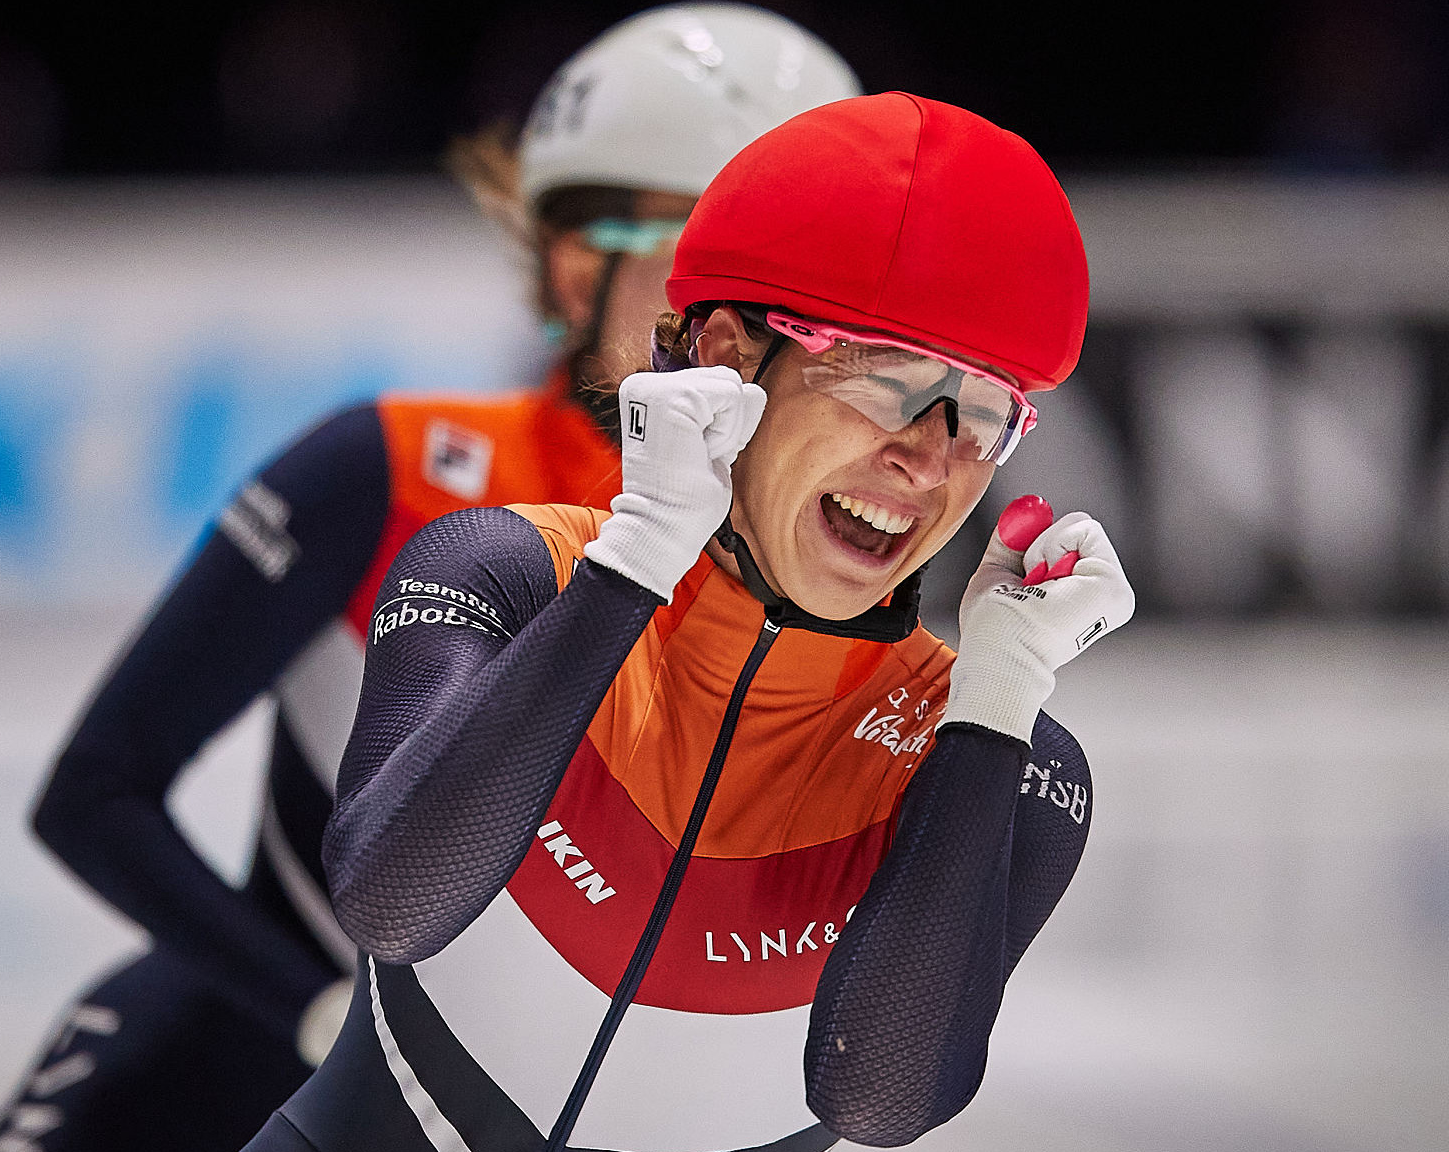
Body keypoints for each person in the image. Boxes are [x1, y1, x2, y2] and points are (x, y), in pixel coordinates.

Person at [0, 9, 860, 1152]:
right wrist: (312, 1008)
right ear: (577, 262)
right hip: (216, 1077)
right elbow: (96, 792)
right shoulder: (388, 470)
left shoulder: (833, 567)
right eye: (726, 265)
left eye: (825, 297)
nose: (788, 331)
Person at [245, 91, 1136, 1152]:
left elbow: (879, 1101)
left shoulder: (1005, 757)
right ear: (723, 353)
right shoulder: (510, 574)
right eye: (883, 382)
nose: (929, 459)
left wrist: (990, 708)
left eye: (981, 411)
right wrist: (637, 554)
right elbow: (391, 903)